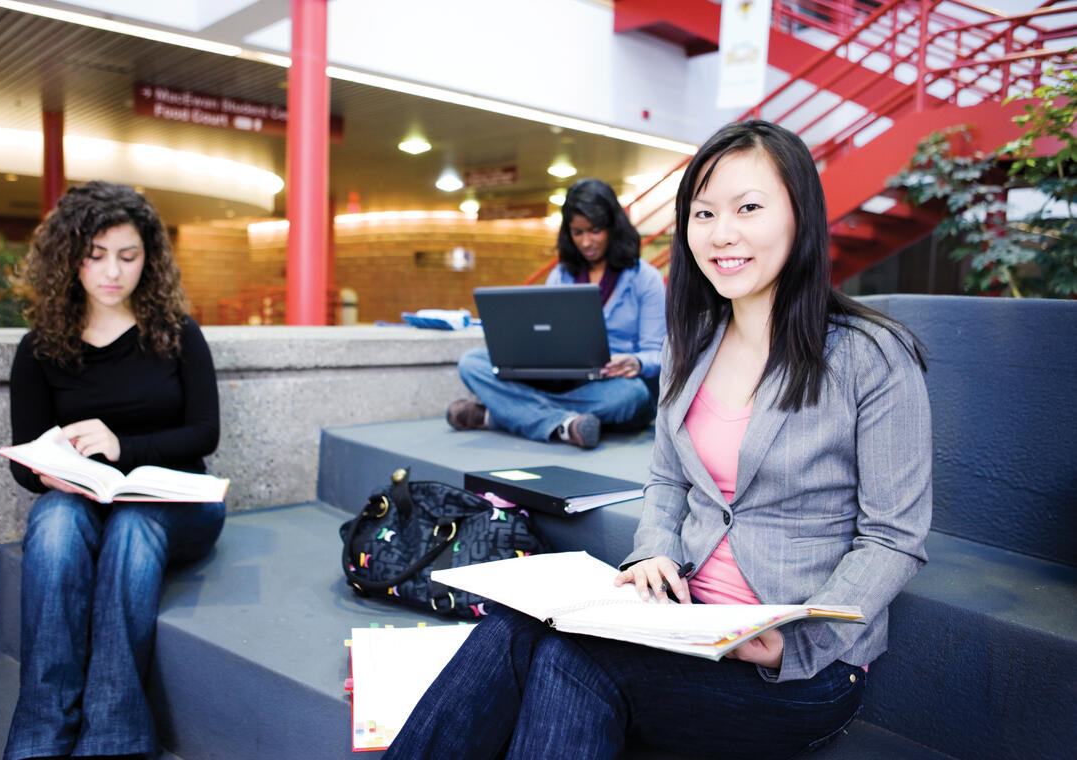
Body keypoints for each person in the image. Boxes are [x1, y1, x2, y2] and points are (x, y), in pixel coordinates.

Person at [386, 120, 932, 759]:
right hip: (683, 618)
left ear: (801, 214)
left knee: (573, 664)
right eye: (703, 213)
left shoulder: (873, 355)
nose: (721, 233)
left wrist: (798, 639)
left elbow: (893, 536)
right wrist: (652, 552)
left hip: (801, 666)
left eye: (748, 207)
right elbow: (669, 480)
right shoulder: (691, 343)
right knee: (515, 624)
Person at [3, 181, 225, 760]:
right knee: (52, 521)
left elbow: (205, 434)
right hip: (85, 500)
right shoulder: (40, 348)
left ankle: (113, 739)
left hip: (178, 502)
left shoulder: (177, 334)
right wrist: (48, 472)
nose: (112, 272)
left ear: (148, 258)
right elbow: (25, 459)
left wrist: (121, 446)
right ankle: (40, 736)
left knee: (131, 528)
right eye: (95, 256)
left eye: (128, 256)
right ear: (69, 259)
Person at [446, 178, 666, 449]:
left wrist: (636, 362)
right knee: (472, 363)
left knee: (632, 396)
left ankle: (502, 415)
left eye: (595, 230)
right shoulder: (560, 275)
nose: (586, 242)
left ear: (613, 227)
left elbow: (657, 353)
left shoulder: (646, 278)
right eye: (577, 232)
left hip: (611, 386)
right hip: (559, 381)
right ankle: (563, 424)